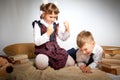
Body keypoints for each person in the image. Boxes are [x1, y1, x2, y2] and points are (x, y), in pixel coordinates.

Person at [32, 3, 75, 70]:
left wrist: (67, 29)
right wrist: (47, 33)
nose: (53, 19)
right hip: (43, 50)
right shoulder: (38, 25)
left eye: (55, 17)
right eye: (51, 17)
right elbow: (37, 42)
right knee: (41, 64)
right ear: (43, 14)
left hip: (55, 50)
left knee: (71, 63)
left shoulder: (55, 25)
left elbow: (63, 38)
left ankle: (52, 62)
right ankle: (46, 61)